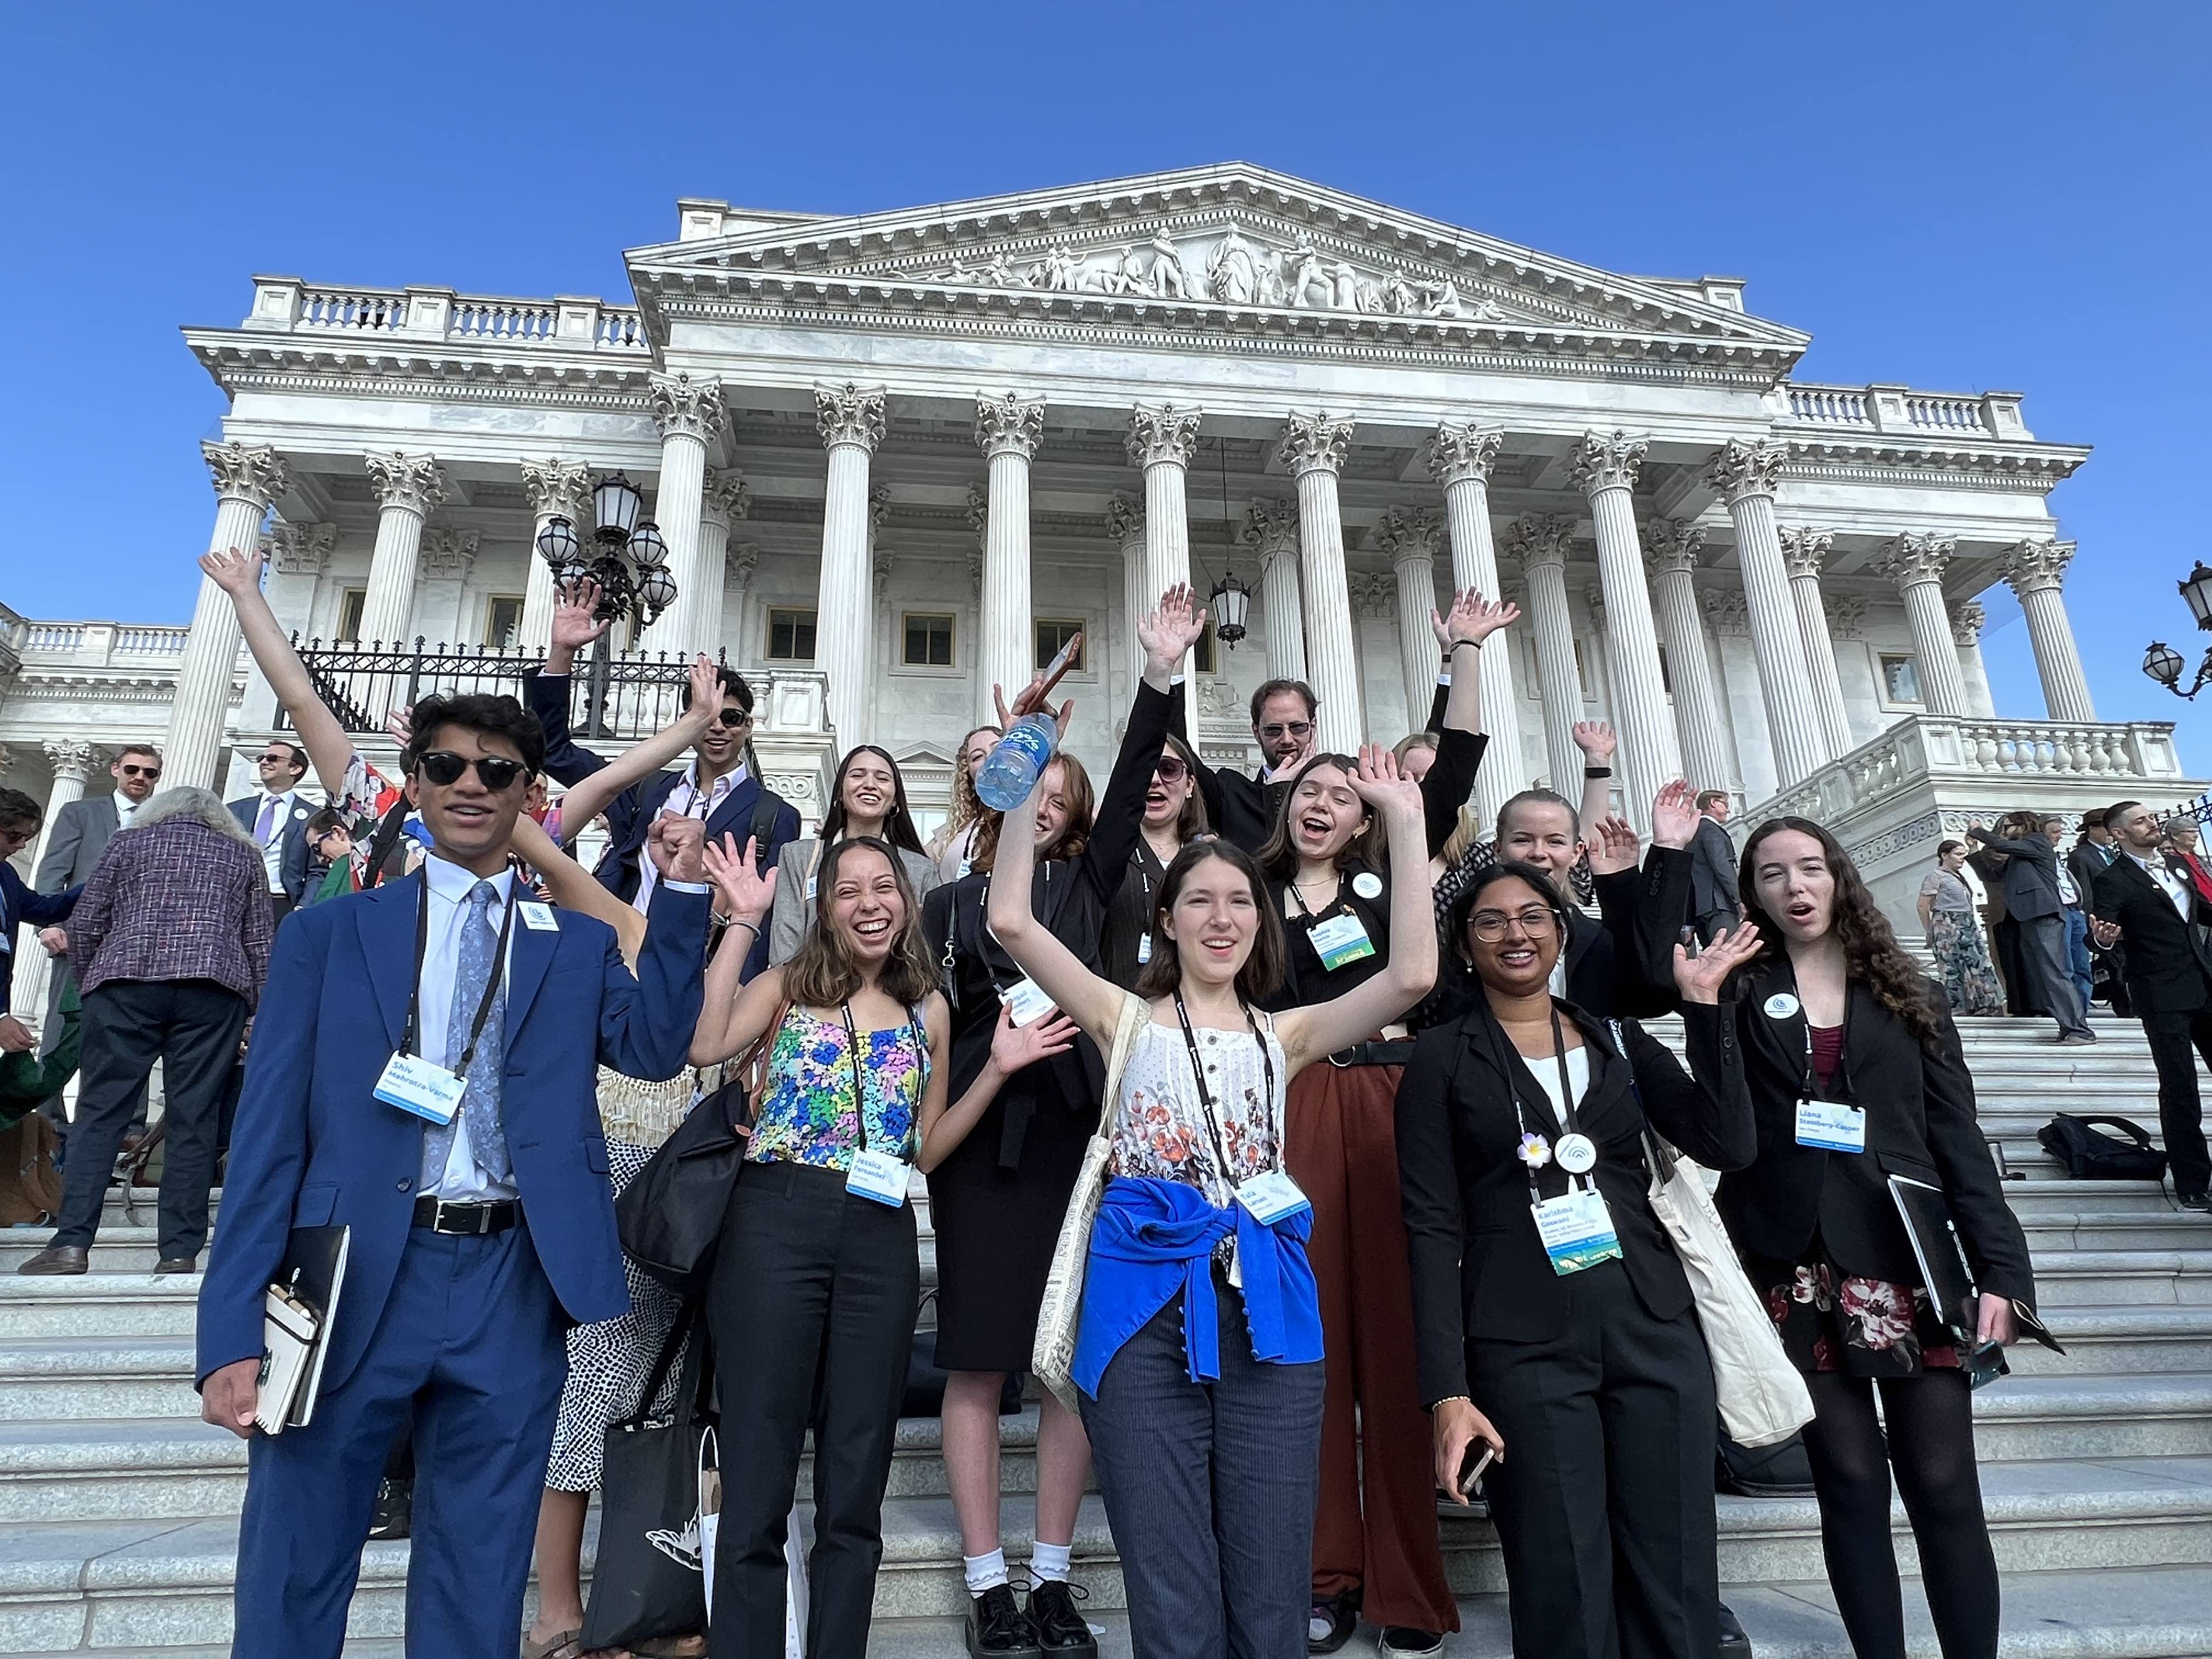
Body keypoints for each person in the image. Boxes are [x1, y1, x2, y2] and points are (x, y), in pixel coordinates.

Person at [195, 692, 712, 1659]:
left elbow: (657, 1046)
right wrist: (229, 1327)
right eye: (446, 766)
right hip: (347, 1276)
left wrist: (680, 898)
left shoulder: (578, 942)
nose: (471, 784)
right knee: (293, 1566)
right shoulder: (328, 935)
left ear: (528, 792)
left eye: (497, 770)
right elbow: (265, 1143)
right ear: (419, 781)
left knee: (478, 1577)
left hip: (511, 1279)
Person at [986, 733, 1438, 1659]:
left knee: (1273, 1571)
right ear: (1169, 914)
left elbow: (1411, 977)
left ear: (1260, 920)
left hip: (1266, 1297)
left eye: (1240, 899)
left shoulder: (1290, 1030)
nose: (1222, 915)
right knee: (1167, 1569)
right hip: (1141, 1302)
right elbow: (1012, 924)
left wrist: (1404, 820)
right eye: (1200, 898)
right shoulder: (1121, 1013)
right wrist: (1021, 794)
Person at [686, 829, 1060, 1657]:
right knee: (759, 1465)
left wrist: (996, 1068)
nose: (869, 905)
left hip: (879, 1232)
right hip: (773, 1222)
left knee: (856, 1478)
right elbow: (706, 1043)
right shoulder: (785, 986)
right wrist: (743, 923)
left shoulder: (928, 1005)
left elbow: (923, 1150)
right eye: (848, 890)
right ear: (824, 907)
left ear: (907, 900)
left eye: (883, 888)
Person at [1398, 860, 1761, 1659]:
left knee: (1678, 1580)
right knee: (1561, 1582)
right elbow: (1428, 1227)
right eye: (1491, 921)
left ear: (1562, 933)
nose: (1514, 933)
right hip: (1523, 1344)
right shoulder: (1441, 1059)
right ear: (1465, 946)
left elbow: (1728, 1142)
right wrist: (1446, 1393)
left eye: (1534, 916)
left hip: (1652, 1326)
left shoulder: (1619, 1039)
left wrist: (1705, 1010)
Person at [917, 596, 1183, 1658]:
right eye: (1023, 778)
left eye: (1054, 787)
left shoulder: (1094, 881)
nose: (1040, 797)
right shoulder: (943, 907)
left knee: (1069, 1362)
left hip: (1080, 1138)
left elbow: (1126, 793)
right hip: (987, 1139)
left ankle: (1054, 1574)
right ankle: (988, 1581)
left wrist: (1158, 672)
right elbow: (939, 1026)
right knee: (978, 1363)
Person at [1252, 588, 1508, 1658]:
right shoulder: (1251, 899)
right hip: (1304, 1109)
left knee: (1404, 1349)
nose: (1320, 803)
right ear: (1281, 804)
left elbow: (1449, 774)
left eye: (1338, 794)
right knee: (1313, 1355)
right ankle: (1326, 1571)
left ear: (1365, 815)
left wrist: (1462, 654)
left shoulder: (1390, 891)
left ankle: (1409, 1585)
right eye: (1304, 791)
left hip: (1398, 1105)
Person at [1718, 816, 2039, 1659]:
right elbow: (1723, 1130)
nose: (1795, 886)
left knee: (1942, 1484)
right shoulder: (1741, 994)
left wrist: (2003, 1271)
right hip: (1793, 1265)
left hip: (1906, 1260)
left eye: (1810, 868)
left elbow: (1958, 1138)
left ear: (1838, 877)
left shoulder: (1908, 990)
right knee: (1850, 1485)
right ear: (1752, 893)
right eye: (1772, 873)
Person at [17, 787, 271, 1278]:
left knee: (100, 1113)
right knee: (194, 1119)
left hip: (124, 984)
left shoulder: (128, 844)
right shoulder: (244, 855)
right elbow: (259, 941)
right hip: (213, 989)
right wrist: (256, 1011)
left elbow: (87, 921)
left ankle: (70, 1245)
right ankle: (178, 1251)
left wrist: (91, 982)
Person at [527, 577, 800, 979]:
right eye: (706, 717)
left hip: (704, 974)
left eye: (732, 718)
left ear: (748, 727)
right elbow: (552, 750)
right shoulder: (646, 790)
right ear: (687, 725)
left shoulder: (776, 814)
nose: (719, 728)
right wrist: (562, 654)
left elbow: (771, 919)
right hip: (618, 962)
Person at [33, 745, 161, 1142]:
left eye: (150, 773)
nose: (140, 778)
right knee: (62, 1026)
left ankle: (130, 1124)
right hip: (79, 939)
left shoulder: (164, 822)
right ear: (116, 769)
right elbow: (54, 869)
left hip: (138, 943)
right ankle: (48, 1117)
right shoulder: (81, 813)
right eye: (133, 769)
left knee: (136, 1032)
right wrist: (50, 923)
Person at [2091, 800, 2212, 1209]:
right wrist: (2105, 939)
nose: (2152, 823)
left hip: (2204, 984)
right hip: (2161, 995)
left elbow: (2200, 913)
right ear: (2120, 834)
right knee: (2180, 1089)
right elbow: (2101, 931)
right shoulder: (2112, 879)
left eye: (2152, 818)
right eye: (2141, 821)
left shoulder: (2177, 867)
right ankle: (2193, 1181)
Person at [769, 744, 940, 964]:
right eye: (858, 775)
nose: (870, 785)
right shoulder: (799, 857)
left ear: (896, 800)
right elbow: (785, 942)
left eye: (882, 779)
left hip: (892, 993)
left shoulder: (921, 870)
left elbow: (923, 950)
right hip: (811, 991)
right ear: (840, 791)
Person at [1965, 815, 2095, 1042]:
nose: (2004, 832)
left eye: (2009, 827)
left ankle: (2078, 1029)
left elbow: (2000, 844)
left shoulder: (2037, 841)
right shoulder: (2019, 855)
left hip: (2043, 915)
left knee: (2055, 972)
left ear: (2023, 826)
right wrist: (1974, 850)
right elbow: (1992, 875)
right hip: (2026, 917)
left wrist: (1978, 830)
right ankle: (2067, 1025)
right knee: (2042, 974)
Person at [1187, 676, 1323, 851]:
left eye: (1297, 727)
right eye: (1274, 730)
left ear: (1313, 727)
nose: (1287, 739)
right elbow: (1179, 749)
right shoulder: (1231, 796)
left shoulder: (1345, 790)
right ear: (1257, 732)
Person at [228, 738, 320, 921]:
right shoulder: (234, 810)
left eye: (272, 758)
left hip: (279, 902)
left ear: (295, 769)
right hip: (235, 899)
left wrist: (304, 906)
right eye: (262, 757)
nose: (264, 762)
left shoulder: (312, 815)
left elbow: (317, 870)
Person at [1918, 840, 2005, 1017]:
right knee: (1952, 966)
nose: (1962, 859)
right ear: (1944, 855)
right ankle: (1958, 1005)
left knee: (1977, 961)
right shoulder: (1936, 876)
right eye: (1958, 855)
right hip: (1946, 924)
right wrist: (1930, 931)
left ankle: (1985, 1003)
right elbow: (1922, 905)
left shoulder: (1958, 876)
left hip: (1966, 923)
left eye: (1963, 855)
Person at [928, 725, 1002, 884]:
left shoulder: (1031, 821)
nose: (989, 760)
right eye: (977, 757)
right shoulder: (951, 834)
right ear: (970, 779)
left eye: (997, 750)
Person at [2070, 811, 2128, 1014]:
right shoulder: (2081, 856)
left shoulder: (2111, 853)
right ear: (2092, 830)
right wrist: (2091, 925)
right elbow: (2085, 894)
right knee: (2115, 965)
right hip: (2103, 921)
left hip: (2122, 919)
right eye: (2106, 828)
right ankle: (2124, 1005)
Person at [1690, 788, 1742, 944]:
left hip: (1700, 910)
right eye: (1725, 804)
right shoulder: (1711, 830)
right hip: (1720, 905)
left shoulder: (1693, 833)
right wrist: (1739, 900)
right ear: (1713, 803)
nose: (1728, 809)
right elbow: (1722, 867)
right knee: (1728, 956)